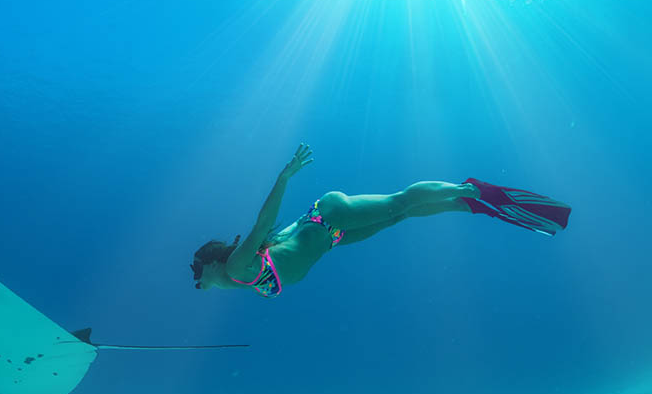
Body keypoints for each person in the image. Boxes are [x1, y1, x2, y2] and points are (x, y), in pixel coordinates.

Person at [190, 143, 571, 297]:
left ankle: (466, 189)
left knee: (396, 203)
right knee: (397, 217)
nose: (197, 282)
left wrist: (284, 177)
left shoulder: (239, 266)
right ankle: (467, 205)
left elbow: (261, 226)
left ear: (211, 261)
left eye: (196, 272)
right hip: (332, 236)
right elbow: (276, 238)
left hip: (327, 217)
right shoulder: (239, 280)